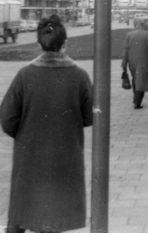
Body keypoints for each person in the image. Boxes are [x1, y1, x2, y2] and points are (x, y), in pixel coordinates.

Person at [0, 15, 93, 233]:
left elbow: (6, 118)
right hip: (65, 155)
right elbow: (90, 116)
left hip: (29, 155)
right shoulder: (79, 76)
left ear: (40, 43)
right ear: (64, 43)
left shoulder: (24, 75)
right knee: (55, 215)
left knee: (25, 208)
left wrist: (25, 134)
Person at [121, 17, 148, 109]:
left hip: (132, 61)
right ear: (144, 25)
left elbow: (125, 50)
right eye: (147, 24)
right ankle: (137, 102)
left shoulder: (129, 35)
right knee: (142, 81)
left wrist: (124, 63)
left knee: (135, 79)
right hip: (144, 61)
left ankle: (136, 100)